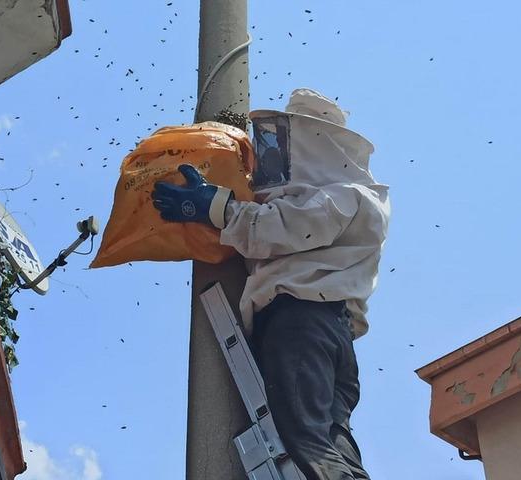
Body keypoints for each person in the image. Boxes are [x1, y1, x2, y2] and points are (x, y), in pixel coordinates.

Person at [152, 88, 390, 480]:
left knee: (305, 442)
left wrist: (216, 206)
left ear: (313, 146)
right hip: (334, 335)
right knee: (334, 440)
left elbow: (281, 229)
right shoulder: (357, 199)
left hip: (301, 322)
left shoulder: (343, 198)